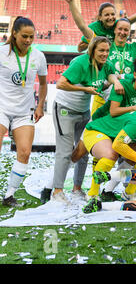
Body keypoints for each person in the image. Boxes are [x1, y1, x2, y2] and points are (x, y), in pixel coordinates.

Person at [40, 36, 122, 204]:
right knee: (64, 152)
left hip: (83, 111)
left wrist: (116, 82)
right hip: (65, 109)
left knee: (84, 150)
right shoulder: (80, 62)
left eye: (107, 50)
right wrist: (85, 89)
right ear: (92, 50)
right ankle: (57, 191)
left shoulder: (106, 65)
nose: (105, 53)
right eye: (101, 50)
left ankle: (77, 189)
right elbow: (60, 84)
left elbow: (111, 75)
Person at [0, 17, 48, 207]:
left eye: (31, 37)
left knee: (25, 152)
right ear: (14, 34)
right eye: (24, 36)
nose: (28, 40)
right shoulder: (2, 52)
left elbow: (43, 84)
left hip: (24, 111)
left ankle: (9, 195)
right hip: (2, 107)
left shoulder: (38, 56)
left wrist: (40, 105)